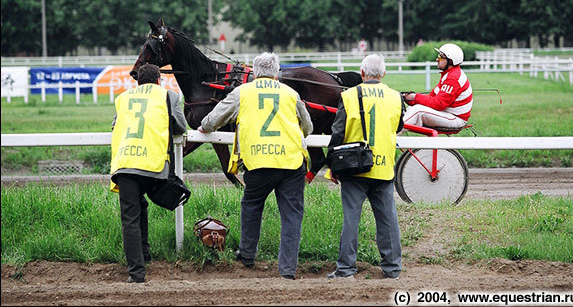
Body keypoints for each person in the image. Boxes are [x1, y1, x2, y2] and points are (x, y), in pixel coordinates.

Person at [198, 52, 313, 280]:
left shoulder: (242, 92)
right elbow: (307, 127)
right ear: (277, 73)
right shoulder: (291, 93)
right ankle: (288, 270)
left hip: (258, 162)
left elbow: (212, 120)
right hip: (291, 162)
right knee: (292, 216)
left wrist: (204, 127)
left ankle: (247, 255)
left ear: (254, 72)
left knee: (251, 207)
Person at [326, 53, 405, 280]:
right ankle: (392, 269)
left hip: (354, 167)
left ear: (362, 73)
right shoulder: (395, 97)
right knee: (388, 219)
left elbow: (338, 132)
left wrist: (332, 165)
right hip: (384, 167)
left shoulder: (349, 95)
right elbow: (398, 125)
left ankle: (346, 270)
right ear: (383, 74)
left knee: (351, 219)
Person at [110, 63, 187, 283]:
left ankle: (137, 273)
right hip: (154, 166)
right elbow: (181, 126)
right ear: (158, 81)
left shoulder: (123, 98)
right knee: (148, 204)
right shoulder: (169, 96)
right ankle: (147, 256)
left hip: (126, 163)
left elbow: (116, 125)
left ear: (137, 82)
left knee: (130, 218)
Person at [401, 43, 472, 130]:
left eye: (441, 57)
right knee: (412, 108)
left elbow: (438, 104)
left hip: (456, 118)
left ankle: (392, 137)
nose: (437, 59)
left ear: (450, 61)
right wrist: (411, 100)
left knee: (418, 110)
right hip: (448, 114)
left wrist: (415, 97)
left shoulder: (453, 77)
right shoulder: (449, 74)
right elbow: (431, 97)